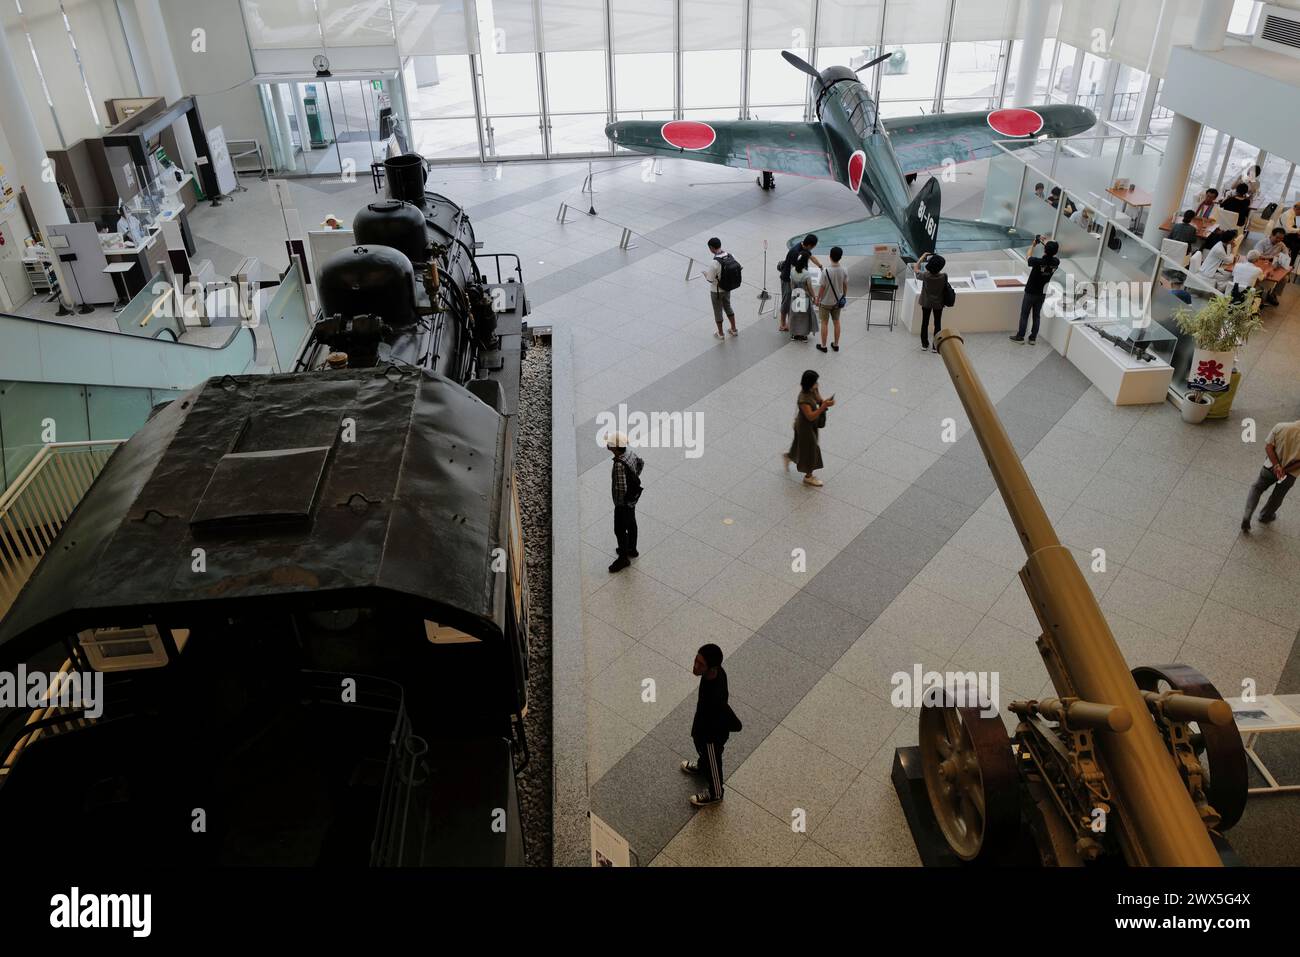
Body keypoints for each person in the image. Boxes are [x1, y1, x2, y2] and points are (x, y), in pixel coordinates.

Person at [680, 643, 739, 807]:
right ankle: (702, 764)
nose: (695, 666)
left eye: (701, 664)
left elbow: (724, 712)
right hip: (703, 726)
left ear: (711, 668)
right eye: (696, 660)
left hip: (711, 735)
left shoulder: (716, 695)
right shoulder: (715, 672)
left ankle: (716, 793)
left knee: (713, 760)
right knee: (704, 753)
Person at [1241, 420, 1300, 532]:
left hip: (1270, 468)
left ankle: (1247, 515)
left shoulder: (1281, 426)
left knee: (1257, 488)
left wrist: (1277, 466)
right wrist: (1284, 470)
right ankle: (1265, 516)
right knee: (1278, 496)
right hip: (1289, 475)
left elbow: (1268, 447)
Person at [783, 369, 833, 487]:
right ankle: (808, 477)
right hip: (804, 426)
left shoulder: (813, 389)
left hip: (810, 424)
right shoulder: (803, 399)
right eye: (815, 382)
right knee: (811, 449)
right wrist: (823, 407)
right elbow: (810, 417)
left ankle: (789, 456)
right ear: (809, 383)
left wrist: (825, 402)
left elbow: (819, 400)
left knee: (800, 444)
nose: (817, 384)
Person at [1011, 236, 1060, 344]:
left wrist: (1033, 245)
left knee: (1025, 314)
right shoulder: (1056, 262)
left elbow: (1028, 256)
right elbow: (1052, 251)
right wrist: (1045, 242)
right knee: (1036, 315)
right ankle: (1033, 338)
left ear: (1044, 249)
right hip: (1042, 293)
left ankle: (1020, 336)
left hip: (1030, 292)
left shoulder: (1037, 261)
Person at [606, 432, 643, 573]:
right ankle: (632, 549)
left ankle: (623, 558)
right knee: (632, 524)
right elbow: (640, 463)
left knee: (620, 529)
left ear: (615, 448)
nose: (607, 445)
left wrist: (619, 505)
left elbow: (621, 488)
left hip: (623, 504)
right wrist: (634, 476)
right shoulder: (630, 453)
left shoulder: (619, 465)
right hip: (633, 499)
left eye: (610, 444)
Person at [779, 234, 822, 333]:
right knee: (786, 301)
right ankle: (782, 324)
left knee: (792, 301)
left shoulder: (805, 247)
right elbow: (794, 272)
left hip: (795, 278)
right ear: (810, 245)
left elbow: (812, 257)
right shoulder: (795, 252)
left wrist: (820, 266)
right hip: (787, 279)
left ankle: (790, 323)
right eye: (814, 246)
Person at [814, 245, 849, 353]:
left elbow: (822, 288)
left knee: (824, 323)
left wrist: (817, 299)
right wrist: (843, 296)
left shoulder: (826, 271)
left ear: (830, 256)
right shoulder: (844, 270)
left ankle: (823, 346)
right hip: (837, 302)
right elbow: (845, 286)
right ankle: (836, 344)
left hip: (825, 302)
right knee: (836, 322)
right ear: (840, 257)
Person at [703, 237, 739, 339]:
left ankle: (721, 333)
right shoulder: (731, 255)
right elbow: (739, 267)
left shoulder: (715, 262)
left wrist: (705, 274)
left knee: (718, 311)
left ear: (711, 248)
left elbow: (710, 279)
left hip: (716, 291)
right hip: (728, 288)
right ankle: (734, 329)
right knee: (728, 306)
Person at [914, 251, 947, 352]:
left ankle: (924, 344)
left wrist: (923, 256)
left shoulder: (925, 276)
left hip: (926, 302)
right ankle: (935, 346)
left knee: (925, 322)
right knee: (937, 323)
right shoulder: (944, 276)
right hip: (938, 303)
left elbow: (916, 267)